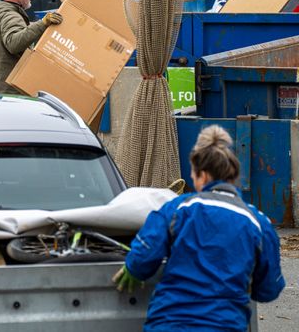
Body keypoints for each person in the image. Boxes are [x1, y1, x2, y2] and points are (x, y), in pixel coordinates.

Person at [114, 126, 285, 331]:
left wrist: (131, 269)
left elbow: (142, 258)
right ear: (233, 176)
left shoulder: (177, 209)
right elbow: (268, 290)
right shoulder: (258, 223)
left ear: (203, 175)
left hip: (170, 324)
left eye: (193, 176)